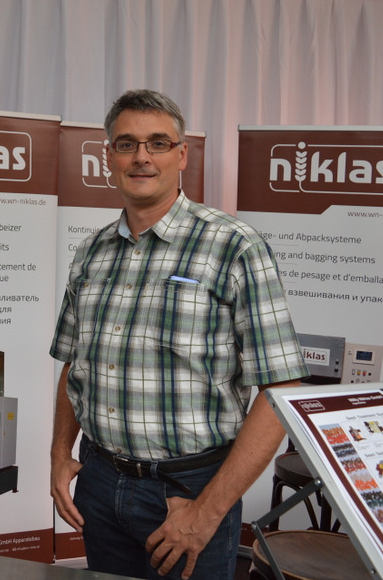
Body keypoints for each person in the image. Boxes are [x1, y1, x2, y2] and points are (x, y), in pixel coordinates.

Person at [49, 90, 308, 580]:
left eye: (158, 143)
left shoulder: (235, 246)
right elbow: (72, 362)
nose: (141, 157)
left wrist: (207, 513)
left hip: (188, 491)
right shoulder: (91, 253)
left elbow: (281, 390)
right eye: (126, 144)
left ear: (182, 154)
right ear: (109, 156)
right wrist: (60, 453)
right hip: (99, 483)